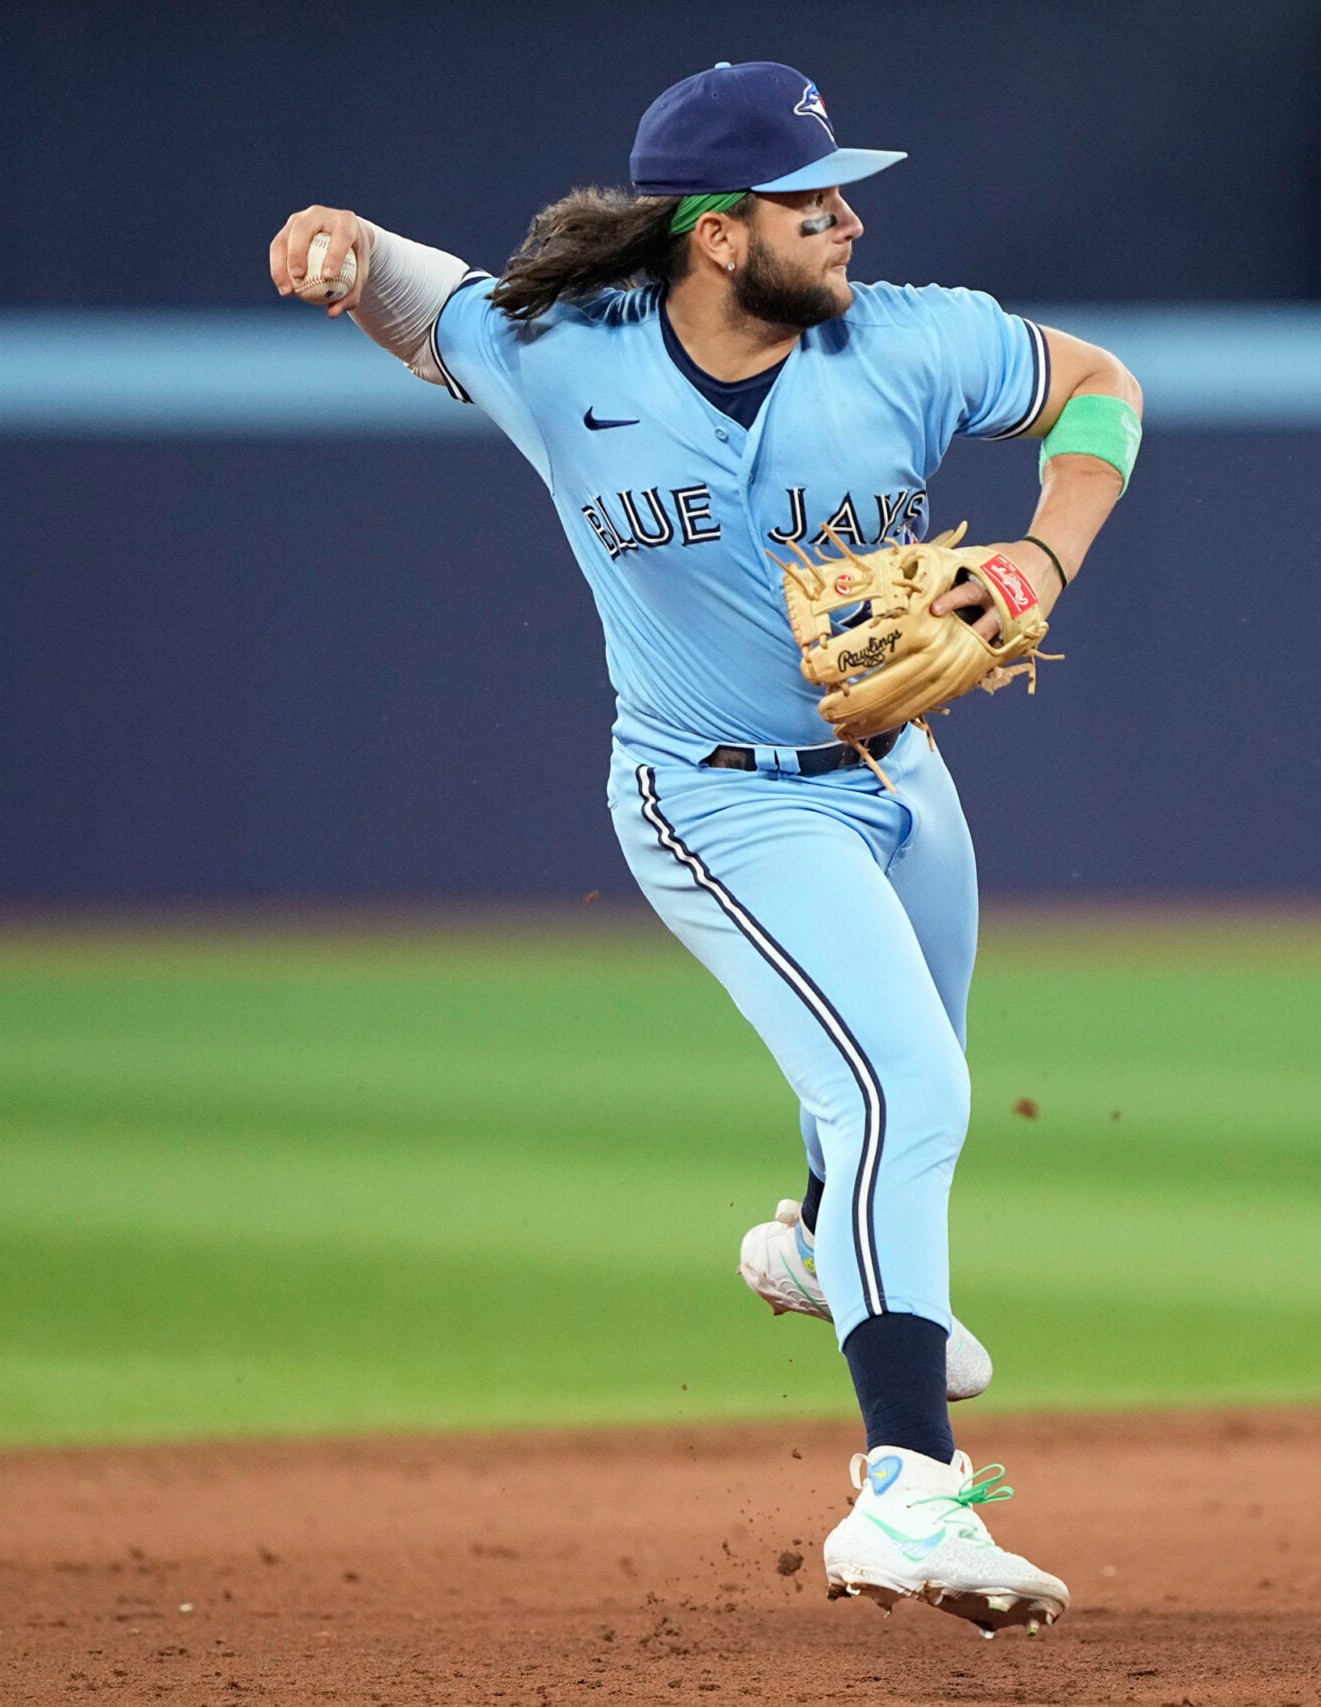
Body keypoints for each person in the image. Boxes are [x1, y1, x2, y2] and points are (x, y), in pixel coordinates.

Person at [268, 60, 1141, 1634]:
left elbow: (1101, 388)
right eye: (814, 199)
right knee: (905, 1086)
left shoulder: (912, 338)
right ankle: (908, 1495)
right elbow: (426, 296)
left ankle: (820, 1241)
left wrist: (1039, 554)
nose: (851, 217)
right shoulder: (559, 353)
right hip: (715, 792)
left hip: (898, 773)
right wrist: (340, 246)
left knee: (903, 1075)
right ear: (721, 234)